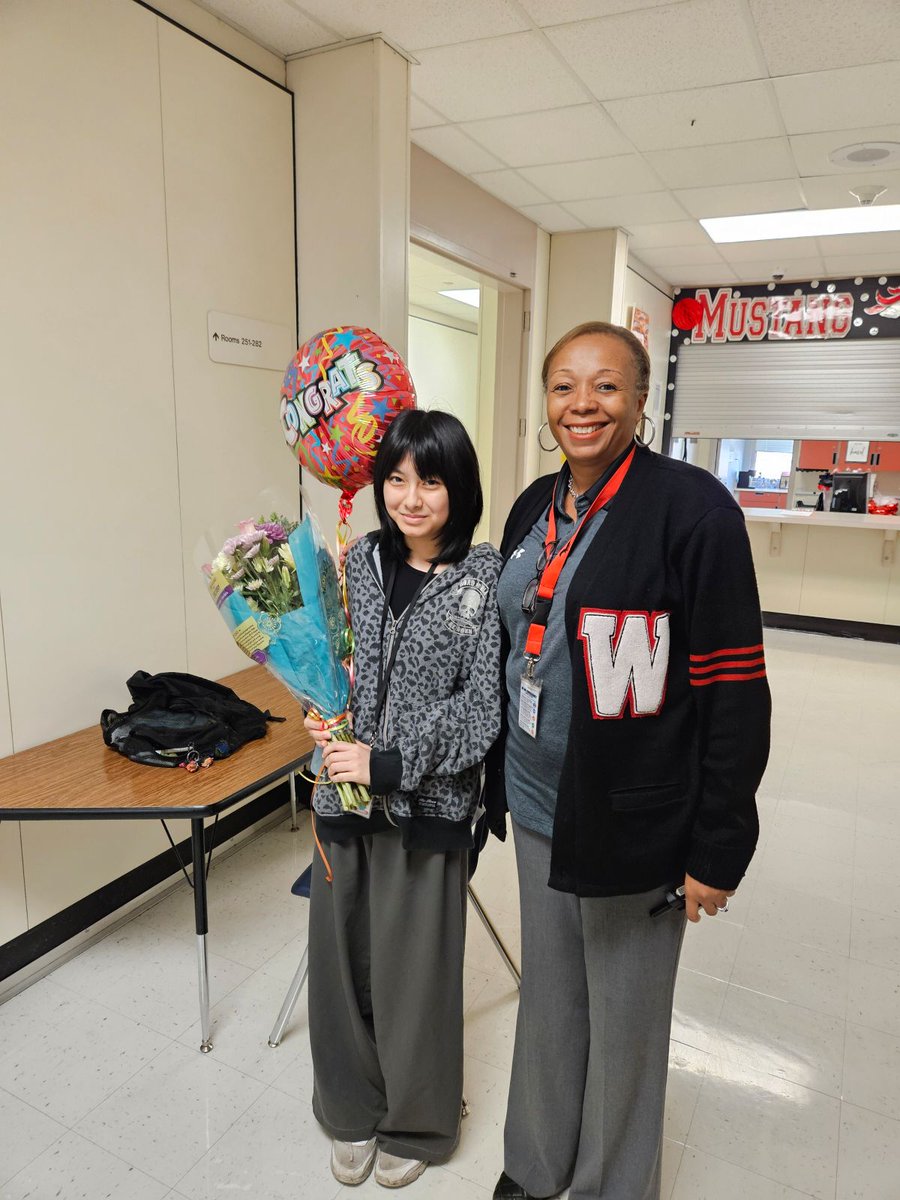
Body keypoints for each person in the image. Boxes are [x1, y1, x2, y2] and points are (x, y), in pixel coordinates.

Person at [486, 321, 771, 1200]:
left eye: (606, 386)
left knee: (626, 1021)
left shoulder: (693, 511)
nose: (583, 404)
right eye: (565, 385)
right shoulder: (535, 504)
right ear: (545, 401)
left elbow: (735, 690)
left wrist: (717, 847)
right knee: (551, 1001)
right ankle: (535, 1171)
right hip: (539, 800)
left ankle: (614, 1188)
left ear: (643, 400)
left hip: (637, 817)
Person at [304, 408, 502, 1189]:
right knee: (340, 960)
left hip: (428, 811)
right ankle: (348, 1106)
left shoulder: (482, 582)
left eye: (430, 480)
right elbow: (334, 667)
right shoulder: (353, 564)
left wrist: (389, 763)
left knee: (413, 974)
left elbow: (481, 710)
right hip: (341, 801)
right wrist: (319, 712)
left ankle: (419, 1121)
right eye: (396, 478)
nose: (410, 497)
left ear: (459, 487)